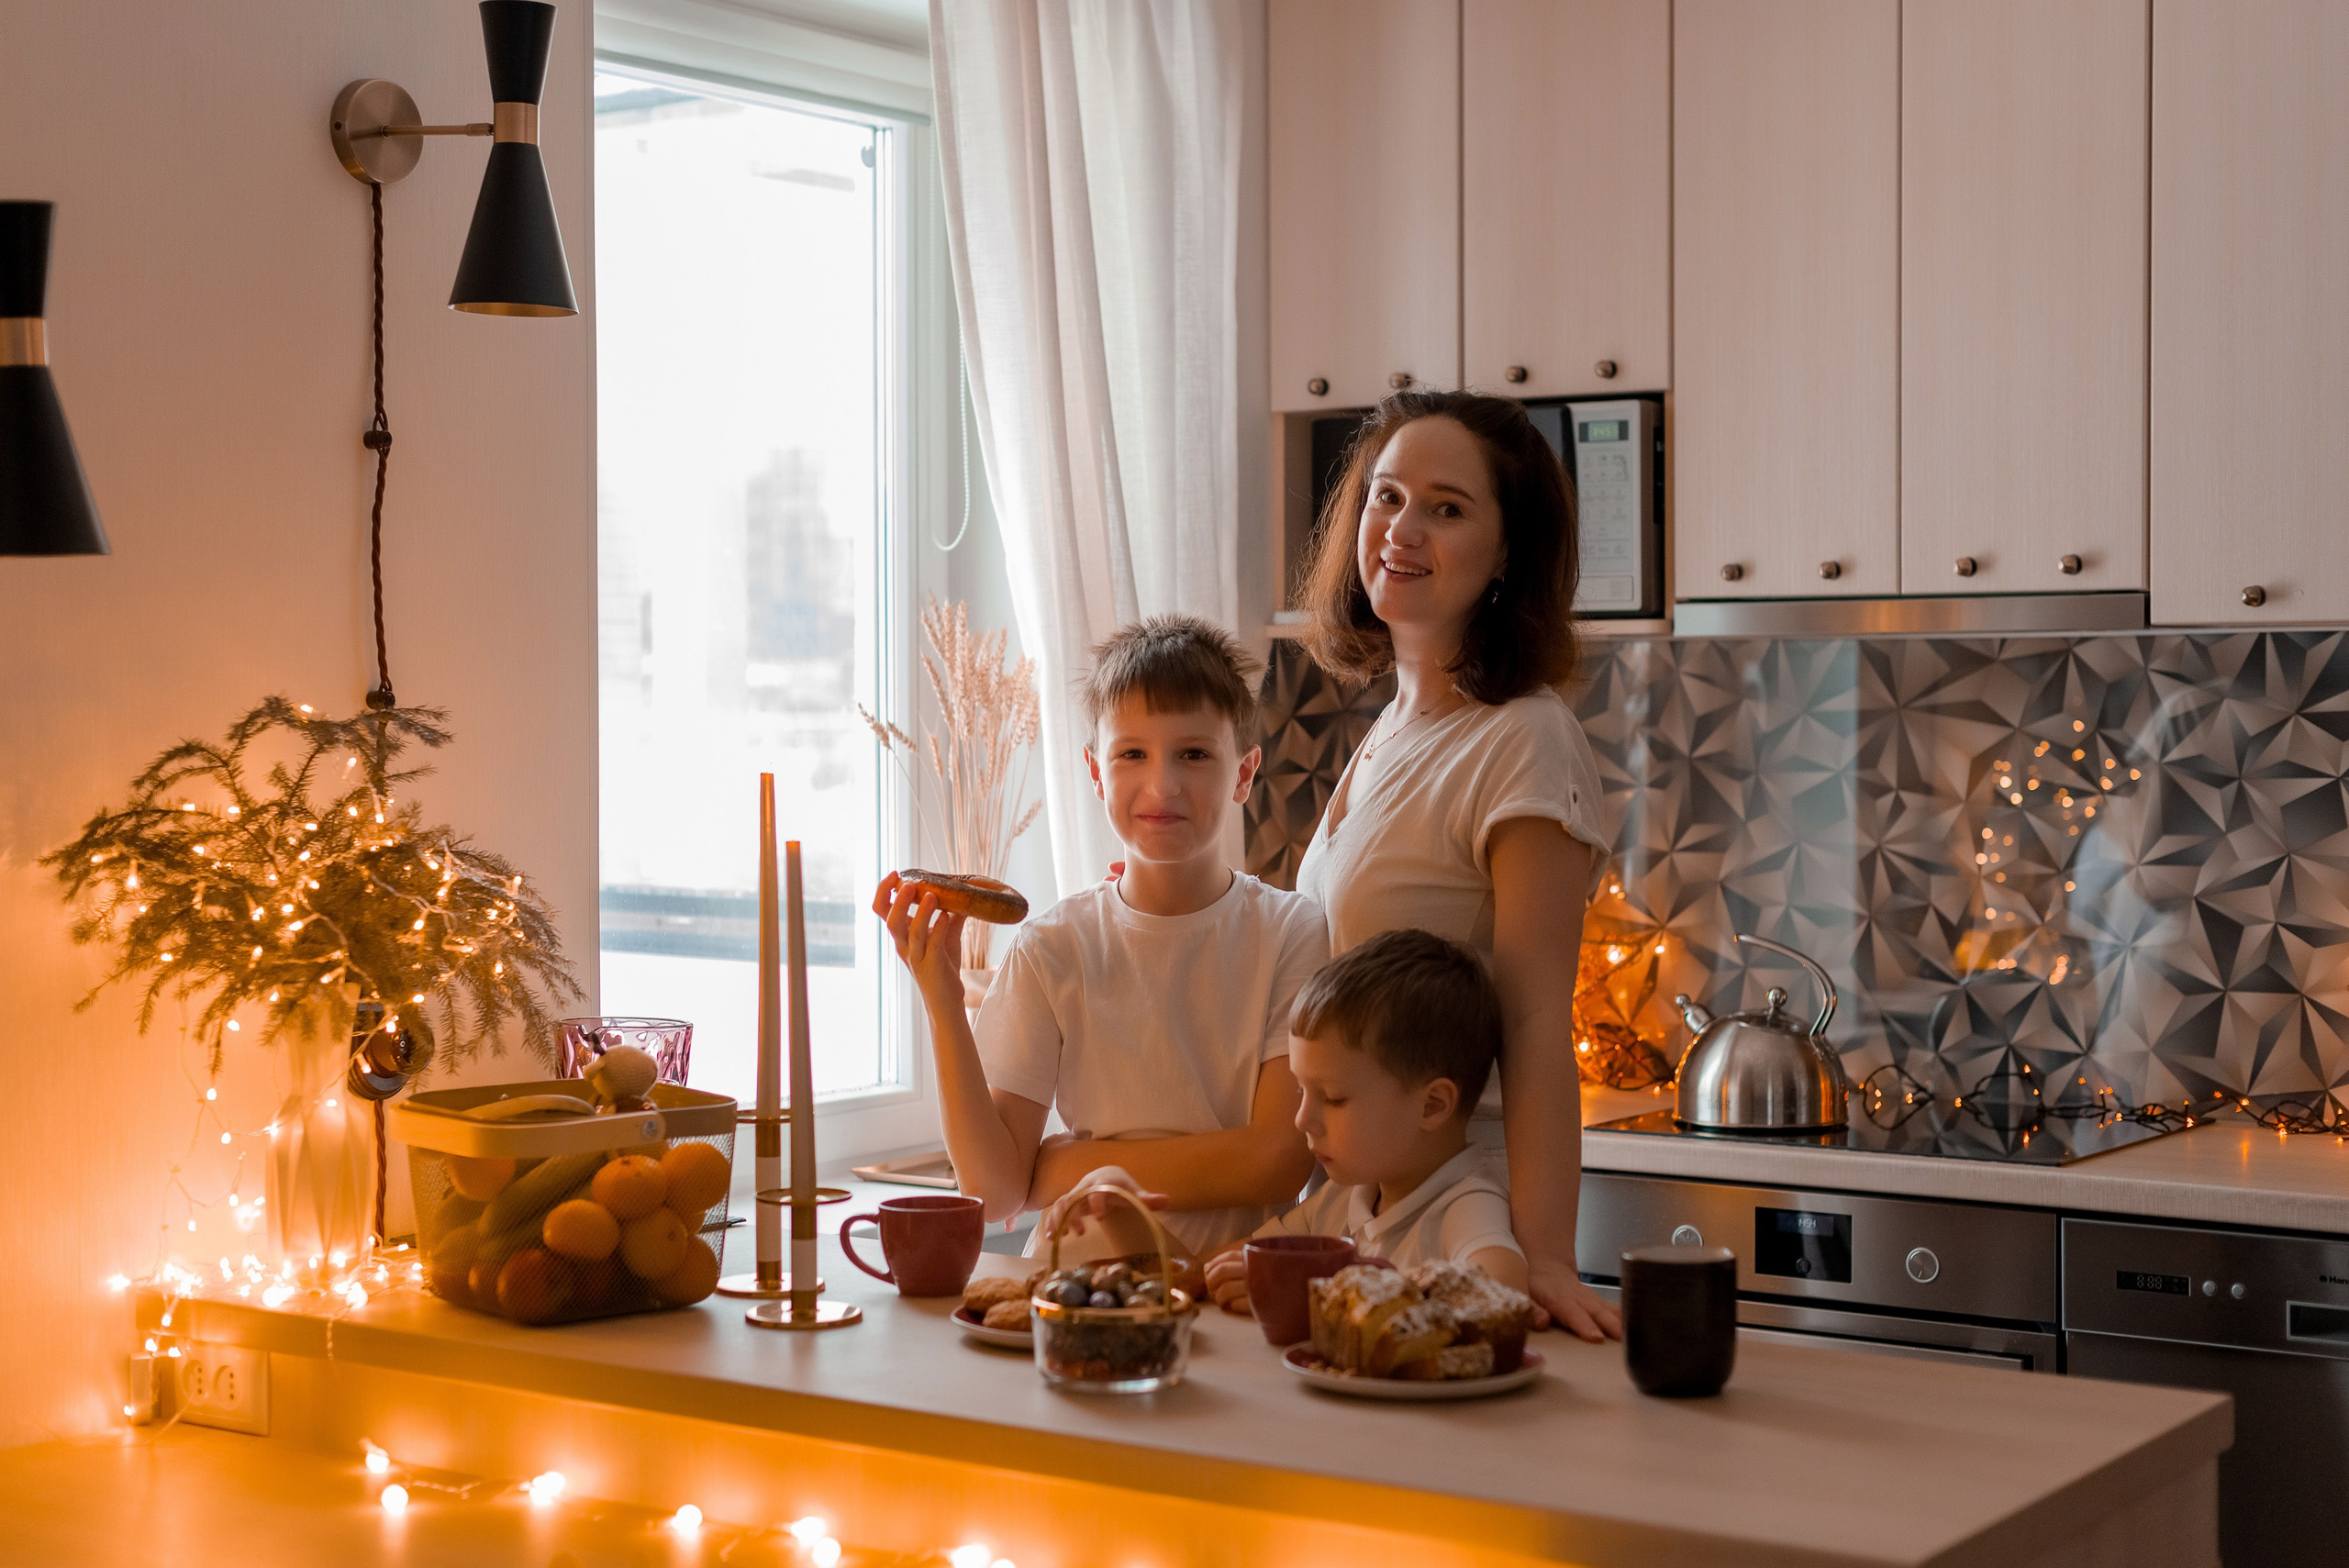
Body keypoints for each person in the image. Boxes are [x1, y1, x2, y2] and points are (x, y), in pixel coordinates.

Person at [1291, 388, 1622, 1341]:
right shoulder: (1387, 727)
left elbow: (1530, 1015)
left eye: (1446, 507)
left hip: (1463, 1219)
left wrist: (1544, 1253)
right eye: (1386, 497)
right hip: (1369, 1210)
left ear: (1505, 552)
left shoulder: (1522, 738)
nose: (1400, 529)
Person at [874, 615, 1326, 1261]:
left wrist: (1067, 1166)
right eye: (1132, 754)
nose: (1162, 784)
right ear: (1095, 772)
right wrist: (944, 1001)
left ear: (1244, 772)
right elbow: (998, 1189)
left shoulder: (1292, 930)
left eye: (1194, 754)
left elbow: (1278, 1161)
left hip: (1227, 1298)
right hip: (1072, 1290)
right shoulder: (1053, 946)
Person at [1204, 929, 1524, 1316]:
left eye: (1334, 1098)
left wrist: (1329, 1288)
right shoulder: (1343, 1198)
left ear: (1432, 1106)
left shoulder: (1465, 1205)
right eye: (1302, 1090)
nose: (1302, 1119)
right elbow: (1235, 1263)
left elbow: (1503, 1288)